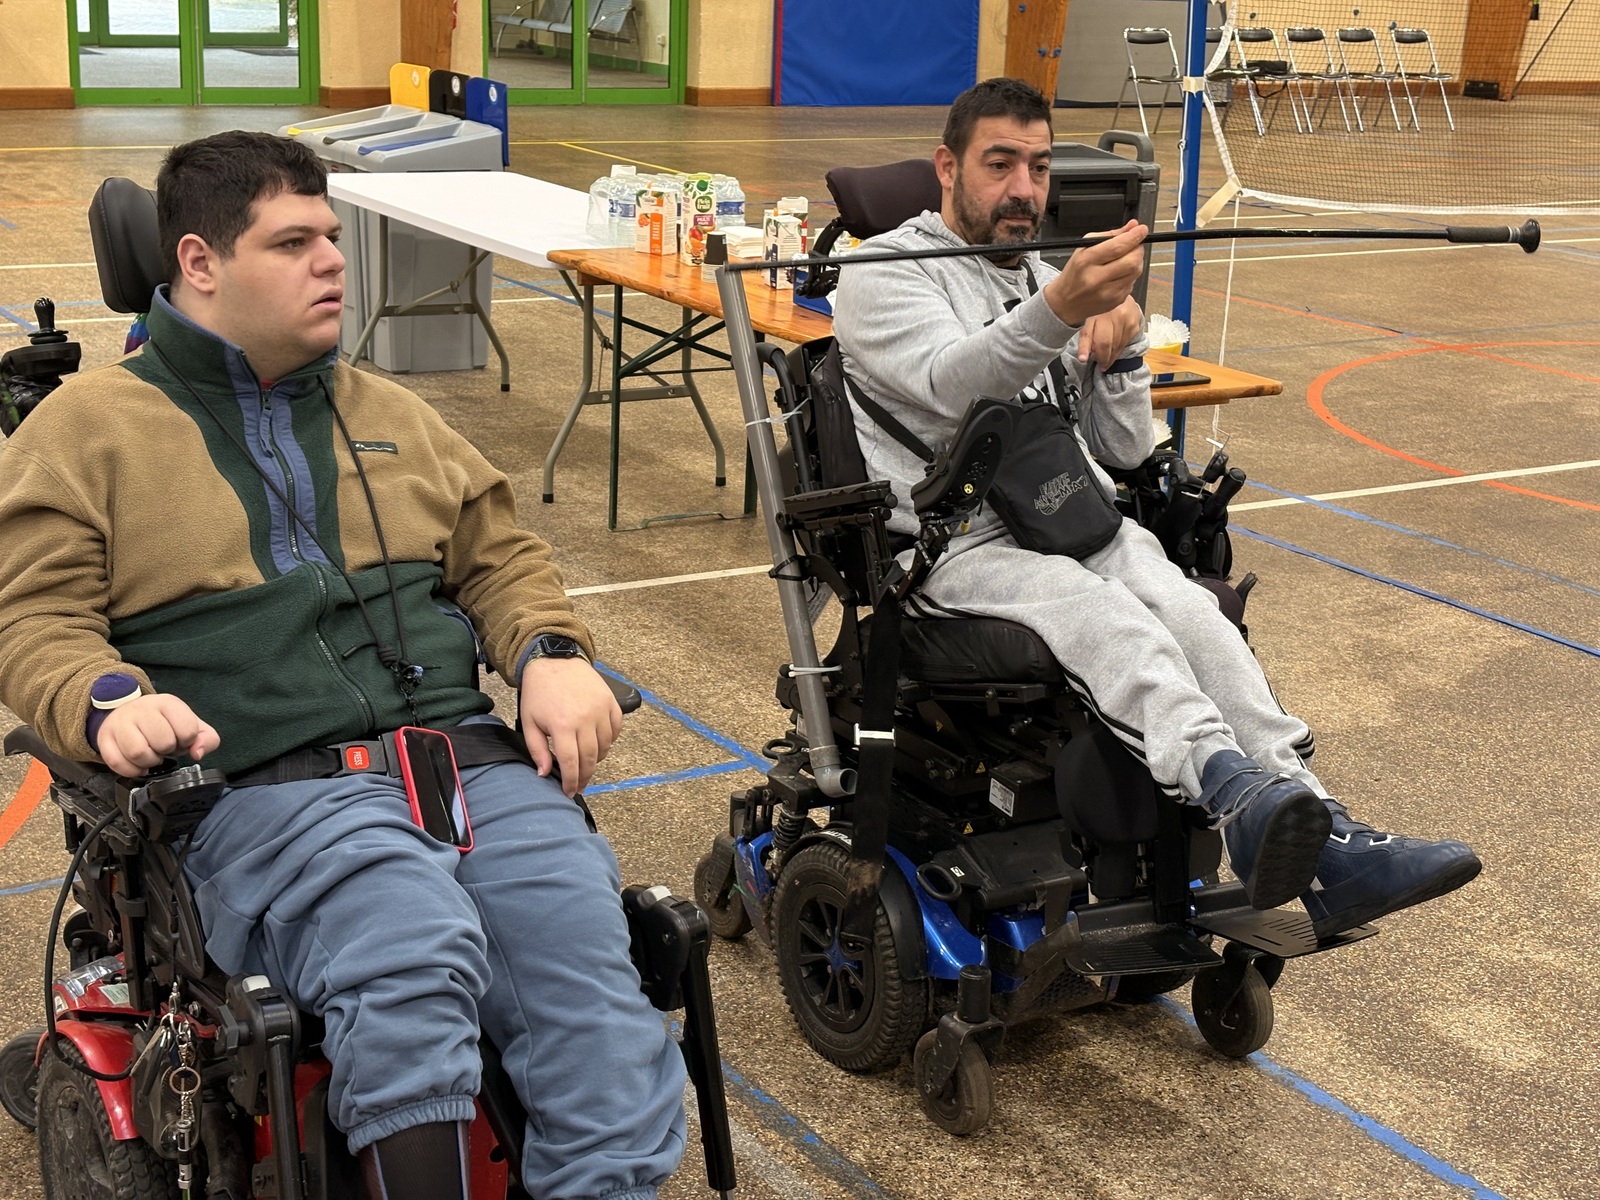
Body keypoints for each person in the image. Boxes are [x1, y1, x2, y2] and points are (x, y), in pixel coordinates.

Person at [0, 131, 685, 1200]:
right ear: (200, 262)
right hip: (265, 788)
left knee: (587, 976)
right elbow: (35, 617)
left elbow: (501, 555)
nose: (334, 260)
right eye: (294, 243)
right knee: (408, 949)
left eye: (331, 235)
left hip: (462, 768)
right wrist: (105, 700)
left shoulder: (390, 412)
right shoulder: (85, 431)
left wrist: (549, 650)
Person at [830, 77, 1480, 935]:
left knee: (1192, 610)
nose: (1024, 189)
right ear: (948, 168)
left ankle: (1321, 827)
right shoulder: (880, 273)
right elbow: (955, 383)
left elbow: (1127, 449)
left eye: (1038, 167)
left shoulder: (1047, 273)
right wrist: (1061, 311)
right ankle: (1230, 789)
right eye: (1000, 164)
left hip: (1071, 517)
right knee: (1110, 618)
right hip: (954, 546)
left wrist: (1126, 349)